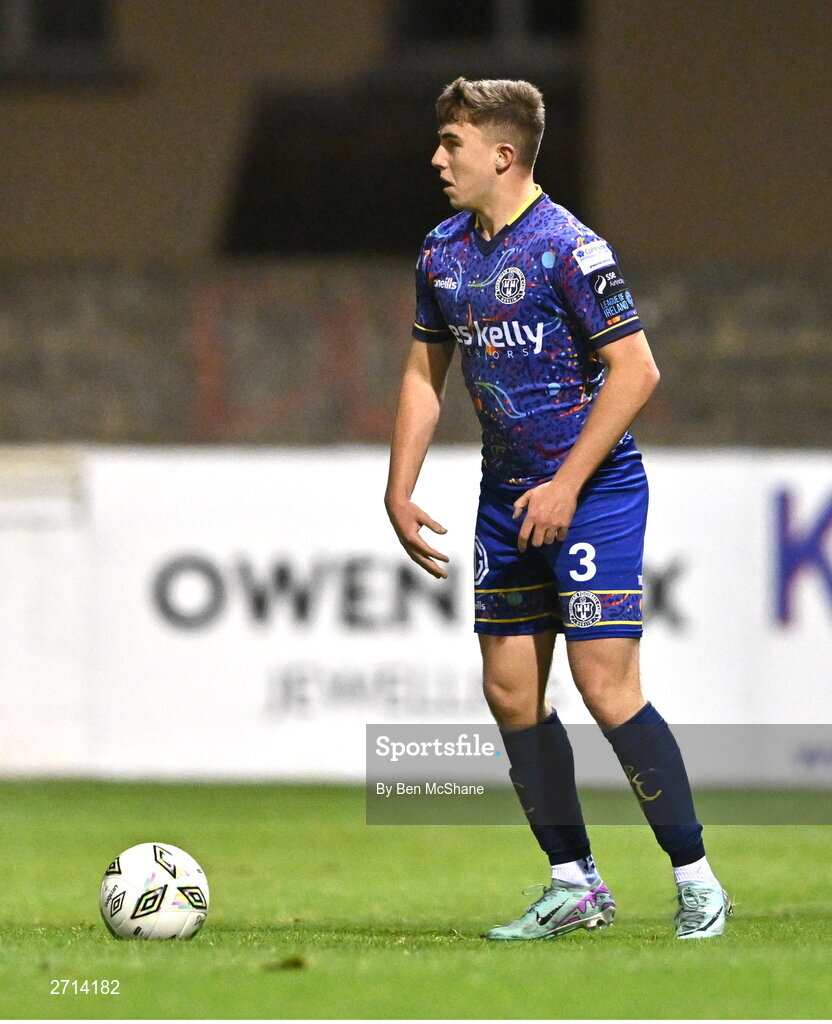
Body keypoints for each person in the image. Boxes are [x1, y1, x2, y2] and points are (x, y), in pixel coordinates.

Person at [385, 76, 731, 941]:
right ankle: (574, 882)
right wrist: (398, 486)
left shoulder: (571, 249)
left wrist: (569, 483)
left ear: (502, 154)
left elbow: (638, 370)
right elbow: (426, 376)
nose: (437, 158)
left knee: (605, 686)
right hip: (507, 498)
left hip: (594, 492)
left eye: (452, 144)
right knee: (509, 692)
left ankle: (697, 879)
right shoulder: (443, 253)